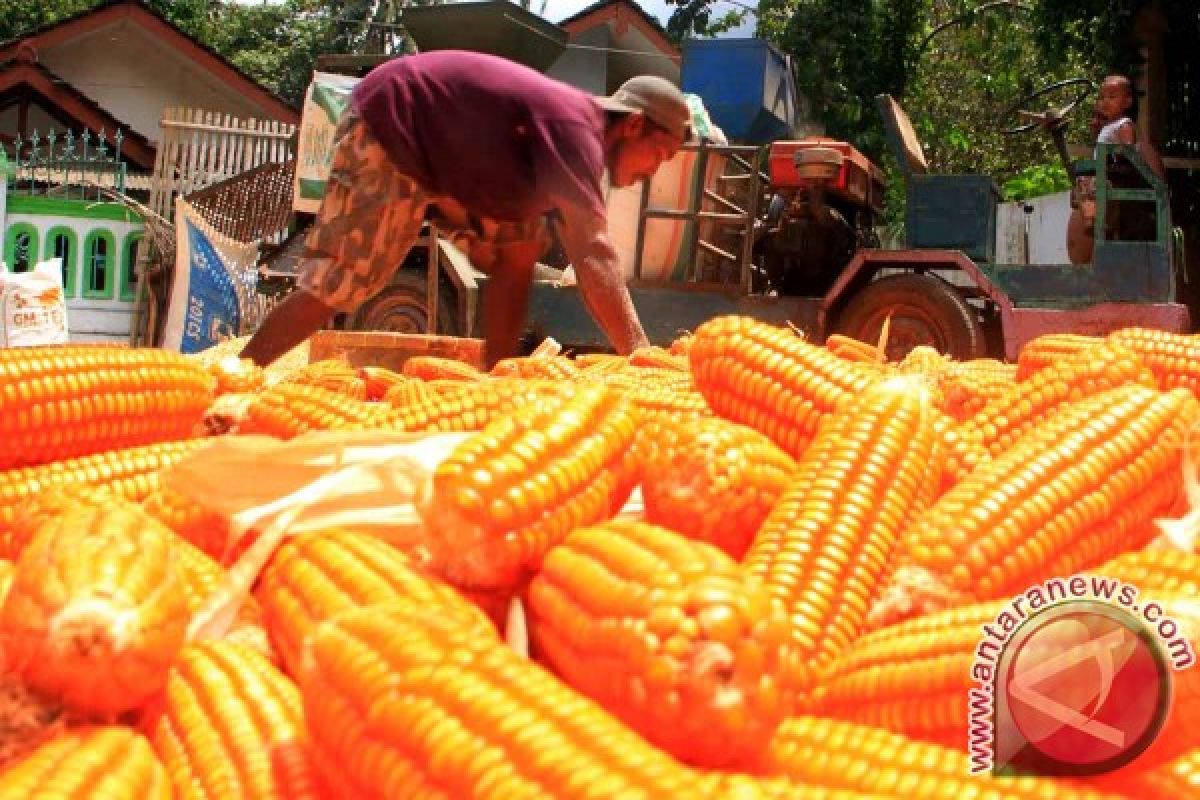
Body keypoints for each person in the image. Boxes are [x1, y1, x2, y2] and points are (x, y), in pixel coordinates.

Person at [240, 50, 693, 368]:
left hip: (438, 152)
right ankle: (241, 372)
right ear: (633, 124)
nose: (654, 170)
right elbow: (592, 251)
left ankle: (492, 374)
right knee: (344, 281)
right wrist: (639, 355)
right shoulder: (577, 129)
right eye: (660, 153)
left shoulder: (567, 137)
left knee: (519, 248)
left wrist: (500, 379)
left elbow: (515, 262)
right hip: (395, 120)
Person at [1066, 74, 1167, 264]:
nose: (1105, 102)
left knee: (1093, 186)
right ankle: (1091, 218)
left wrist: (1114, 159)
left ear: (1127, 101)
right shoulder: (1107, 129)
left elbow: (1126, 152)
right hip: (1107, 176)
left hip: (1120, 182)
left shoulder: (1124, 124)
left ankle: (1093, 219)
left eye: (1111, 97)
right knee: (1082, 184)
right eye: (1102, 98)